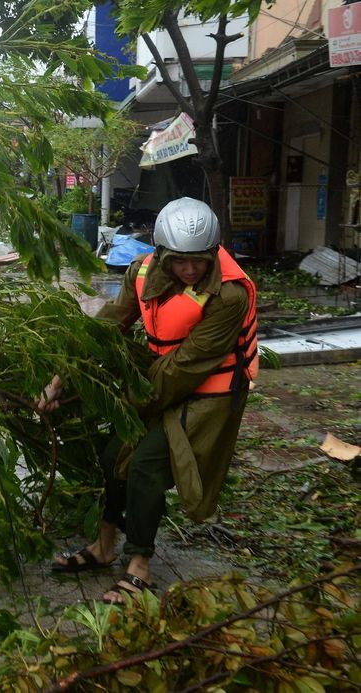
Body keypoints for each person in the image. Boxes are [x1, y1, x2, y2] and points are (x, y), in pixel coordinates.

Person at [39, 197, 257, 604]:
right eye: (179, 260)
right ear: (160, 254)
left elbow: (185, 369)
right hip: (160, 382)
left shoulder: (228, 296)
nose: (190, 269)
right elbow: (107, 328)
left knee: (145, 465)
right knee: (111, 458)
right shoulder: (141, 273)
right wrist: (61, 379)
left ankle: (139, 565)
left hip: (207, 393)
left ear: (213, 253)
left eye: (199, 260)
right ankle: (105, 547)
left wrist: (124, 407)